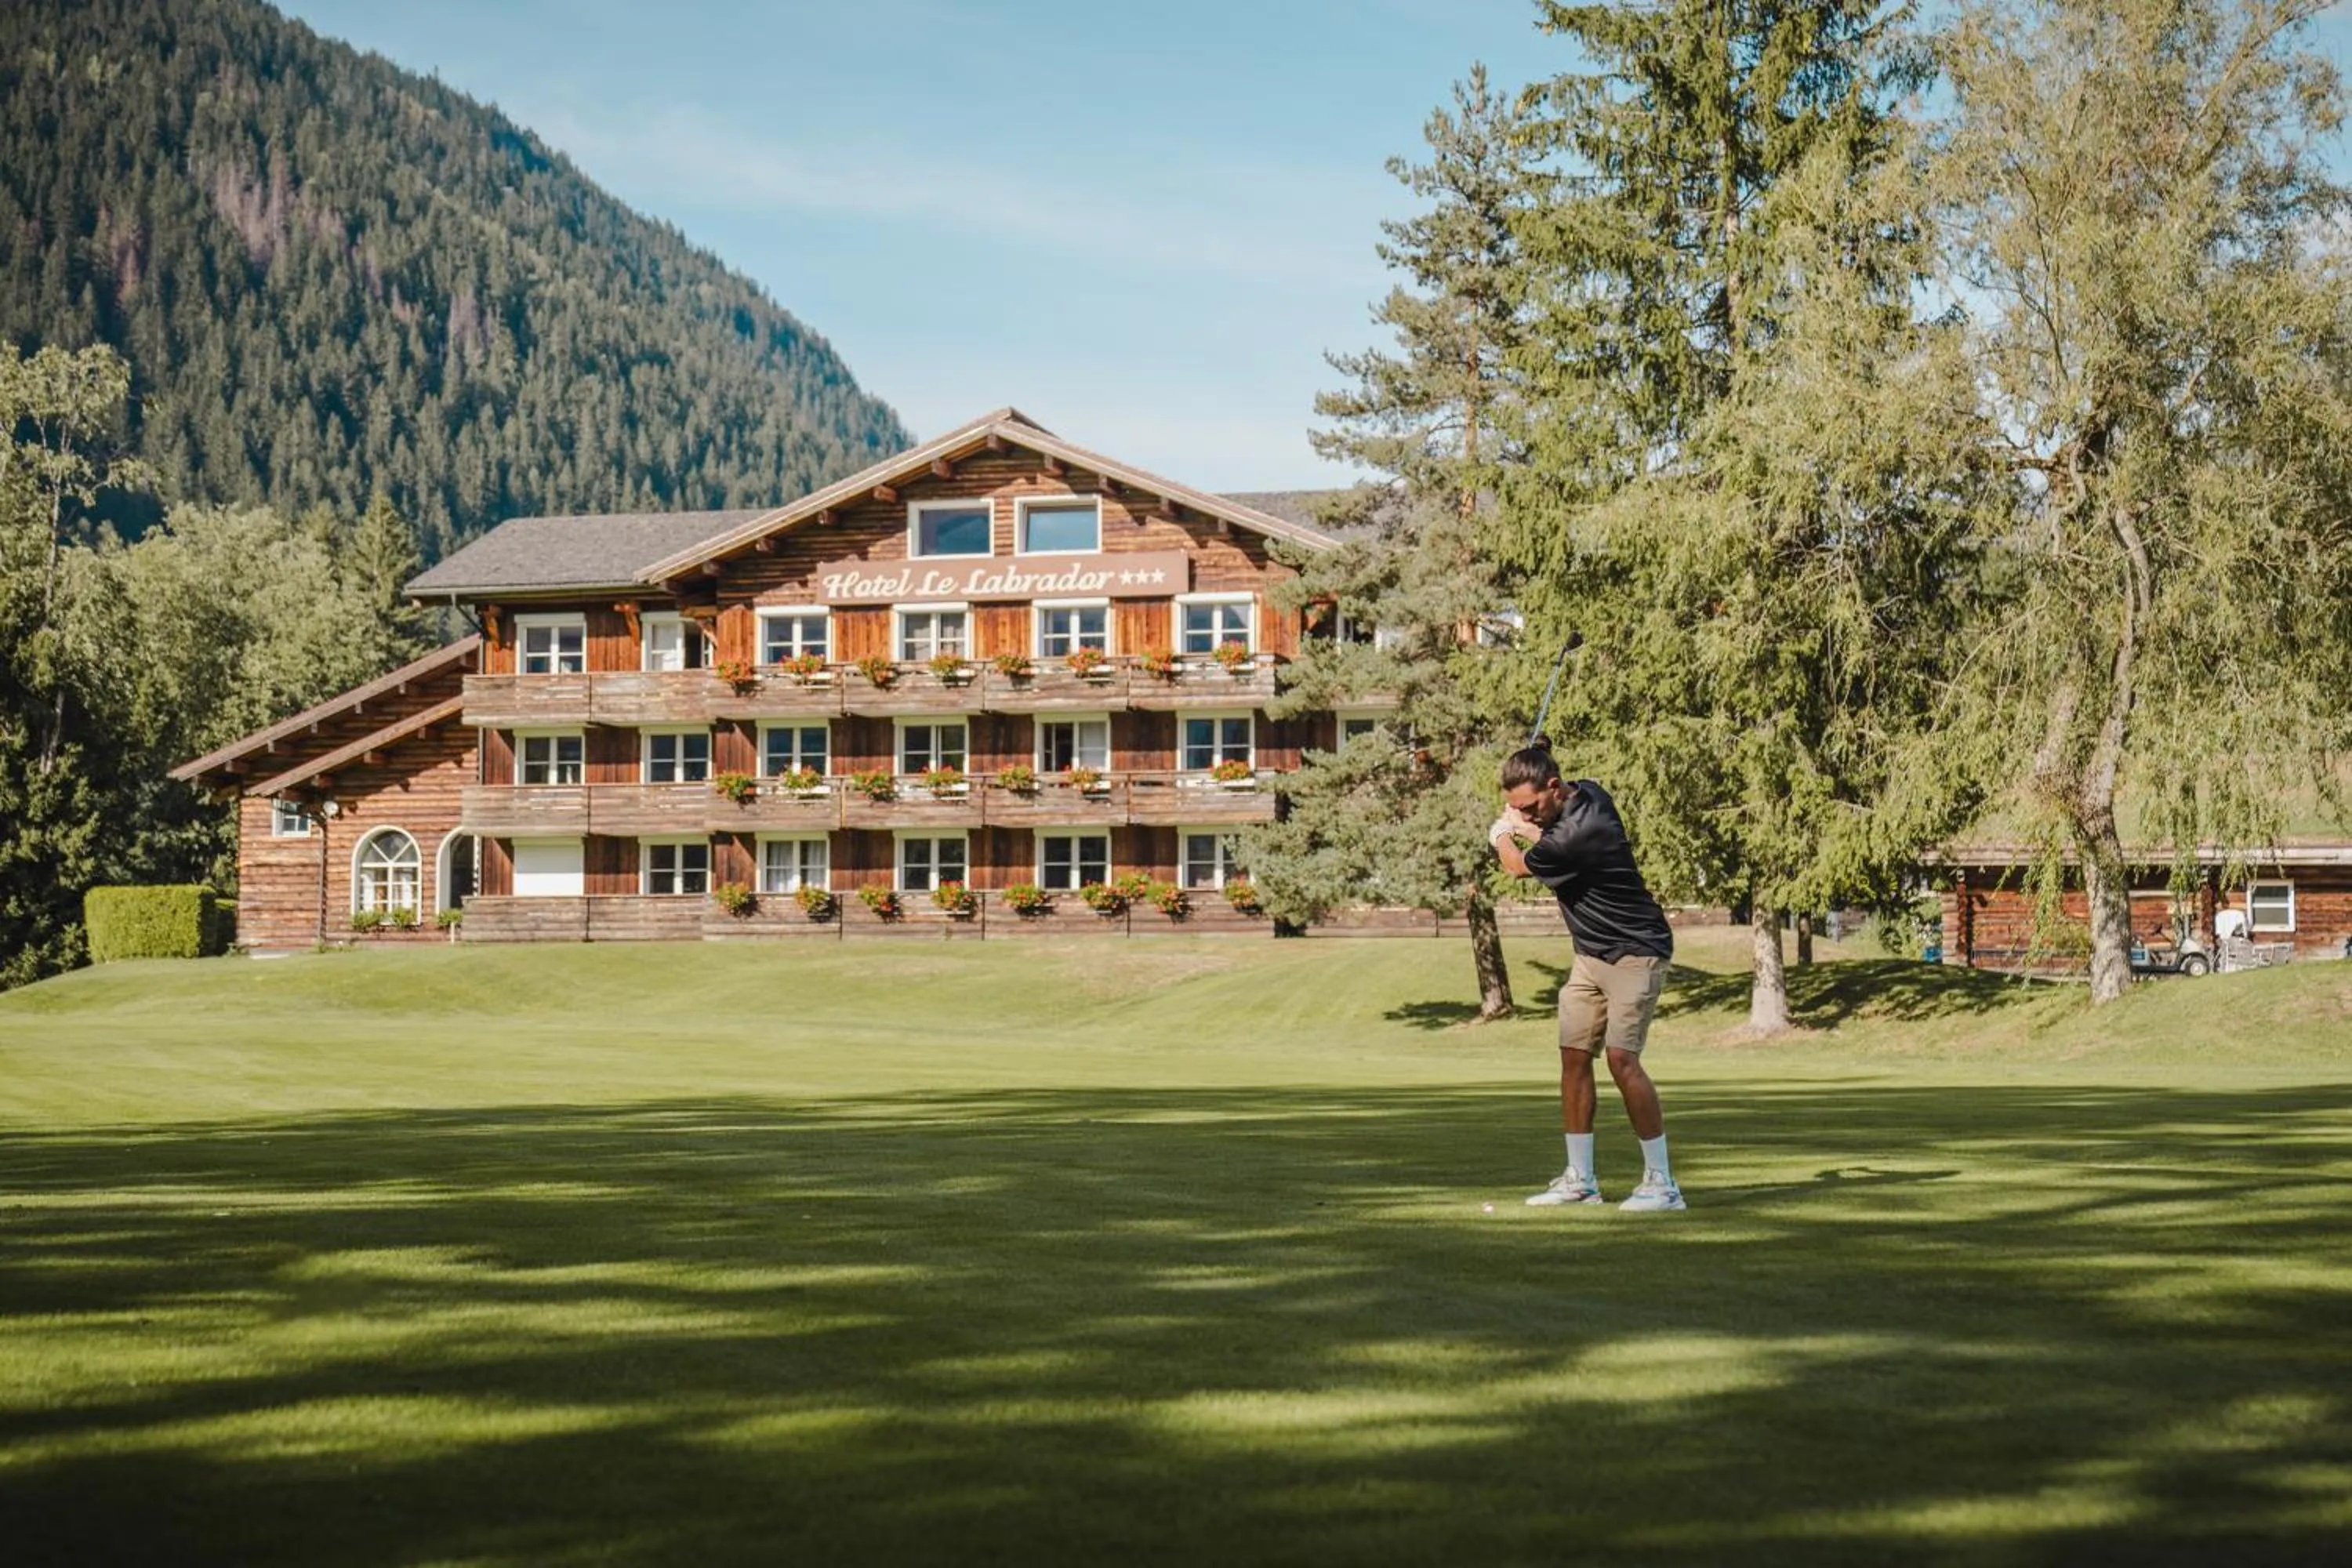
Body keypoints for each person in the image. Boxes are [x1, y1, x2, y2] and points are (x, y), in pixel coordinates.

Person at [1489, 739, 1685, 1212]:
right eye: (1519, 808)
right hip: (1590, 955)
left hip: (1636, 952)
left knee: (1621, 1059)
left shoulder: (1580, 831)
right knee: (1574, 1056)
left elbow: (1517, 867)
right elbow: (1545, 835)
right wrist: (1531, 771)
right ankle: (1581, 1181)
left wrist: (1501, 833)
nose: (1528, 816)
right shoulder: (1589, 791)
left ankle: (1663, 1185)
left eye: (1532, 806)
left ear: (1555, 788)